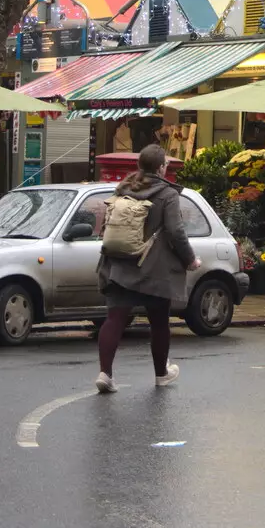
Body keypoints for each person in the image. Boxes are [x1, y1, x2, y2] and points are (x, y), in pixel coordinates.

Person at [94, 145, 200, 393]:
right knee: (159, 322)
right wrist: (190, 260)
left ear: (139, 165)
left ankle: (105, 373)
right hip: (154, 270)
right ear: (162, 167)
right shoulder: (167, 194)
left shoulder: (123, 188)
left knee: (114, 320)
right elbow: (176, 232)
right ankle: (161, 374)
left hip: (120, 265)